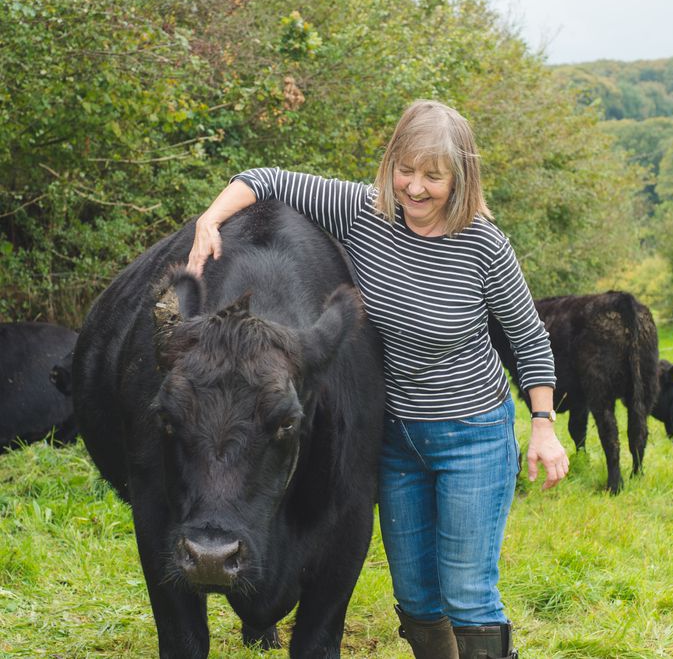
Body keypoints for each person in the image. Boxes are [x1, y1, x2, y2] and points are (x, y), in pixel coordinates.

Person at [187, 99, 569, 659]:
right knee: (414, 596)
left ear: (461, 178)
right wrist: (209, 219)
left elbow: (529, 338)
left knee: (466, 589)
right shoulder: (362, 211)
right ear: (391, 164)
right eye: (405, 170)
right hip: (396, 440)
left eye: (433, 177)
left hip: (471, 435)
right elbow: (263, 179)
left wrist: (542, 424)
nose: (415, 188)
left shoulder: (485, 245)